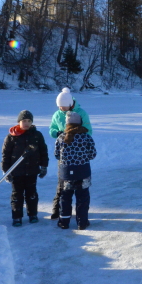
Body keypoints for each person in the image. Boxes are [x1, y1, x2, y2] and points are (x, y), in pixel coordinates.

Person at [49, 87, 92, 219]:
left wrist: (76, 135)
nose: (61, 109)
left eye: (63, 107)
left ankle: (79, 215)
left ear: (70, 104)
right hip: (65, 154)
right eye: (59, 107)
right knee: (62, 185)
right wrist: (59, 134)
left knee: (80, 189)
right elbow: (52, 130)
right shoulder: (57, 114)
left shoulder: (81, 113)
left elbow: (88, 131)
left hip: (78, 154)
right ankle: (58, 210)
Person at [1, 110, 49, 227]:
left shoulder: (37, 135)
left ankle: (33, 214)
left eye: (29, 121)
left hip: (32, 170)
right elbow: (5, 155)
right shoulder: (11, 137)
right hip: (16, 171)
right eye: (24, 121)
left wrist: (43, 166)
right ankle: (17, 217)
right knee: (17, 195)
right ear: (19, 122)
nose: (26, 123)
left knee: (31, 193)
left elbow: (43, 151)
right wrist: (6, 171)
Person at [54, 111, 96, 230]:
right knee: (82, 198)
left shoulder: (61, 137)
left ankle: (64, 222)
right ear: (80, 123)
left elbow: (56, 154)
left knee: (65, 198)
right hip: (83, 172)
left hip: (66, 173)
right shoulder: (86, 137)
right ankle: (82, 222)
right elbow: (93, 154)